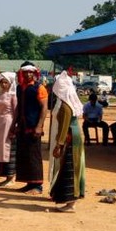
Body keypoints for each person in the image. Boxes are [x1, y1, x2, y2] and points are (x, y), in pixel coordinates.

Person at [48, 71, 86, 213]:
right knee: (73, 167)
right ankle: (70, 201)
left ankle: (71, 203)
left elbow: (64, 128)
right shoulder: (68, 103)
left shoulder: (65, 106)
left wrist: (59, 145)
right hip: (74, 136)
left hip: (69, 138)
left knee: (70, 168)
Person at [12, 61, 49, 195]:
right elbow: (18, 107)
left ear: (34, 73)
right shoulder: (19, 87)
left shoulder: (39, 88)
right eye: (25, 72)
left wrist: (39, 126)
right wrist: (13, 124)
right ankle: (29, 183)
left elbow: (44, 108)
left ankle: (37, 185)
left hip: (33, 126)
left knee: (34, 156)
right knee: (24, 155)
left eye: (30, 72)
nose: (28, 74)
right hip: (22, 126)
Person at [0, 72, 18, 187]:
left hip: (9, 122)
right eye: (1, 82)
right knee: (0, 149)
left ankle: (11, 177)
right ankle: (5, 175)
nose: (3, 84)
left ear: (10, 83)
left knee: (8, 149)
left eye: (5, 82)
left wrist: (14, 126)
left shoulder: (13, 95)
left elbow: (16, 111)